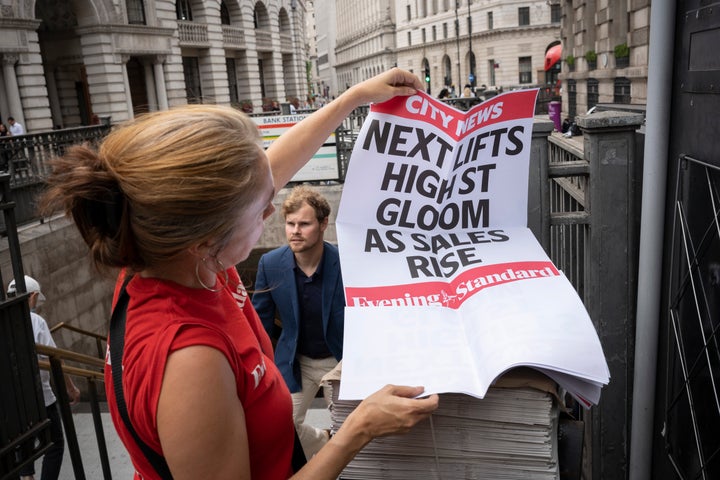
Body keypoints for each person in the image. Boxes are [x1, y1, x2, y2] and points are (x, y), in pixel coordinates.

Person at [40, 68, 439, 480]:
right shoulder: (192, 363)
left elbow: (266, 171)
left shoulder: (165, 246)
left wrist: (351, 98)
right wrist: (358, 430)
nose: (272, 211)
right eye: (262, 207)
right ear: (206, 236)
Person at [252, 185, 343, 459]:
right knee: (280, 426)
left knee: (348, 430)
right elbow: (260, 322)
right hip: (296, 362)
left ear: (323, 223)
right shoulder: (270, 263)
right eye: (290, 224)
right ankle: (321, 441)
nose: (295, 231)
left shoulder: (345, 262)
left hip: (339, 362)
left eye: (304, 224)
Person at [7, 275, 81, 480]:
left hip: (13, 400)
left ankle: (27, 477)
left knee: (22, 440)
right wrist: (71, 389)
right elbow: (54, 357)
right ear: (32, 296)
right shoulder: (35, 321)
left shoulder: (5, 319)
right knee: (56, 443)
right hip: (41, 397)